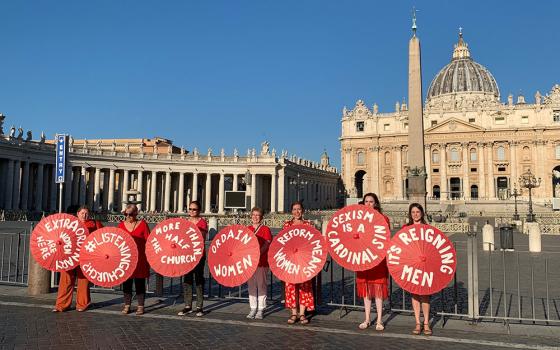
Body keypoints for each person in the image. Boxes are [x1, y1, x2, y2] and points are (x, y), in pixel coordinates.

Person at [52, 206, 102, 313]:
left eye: (87, 213)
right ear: (77, 214)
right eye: (82, 213)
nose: (85, 215)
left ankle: (83, 304)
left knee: (83, 281)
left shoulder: (95, 224)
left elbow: (102, 236)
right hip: (69, 256)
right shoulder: (69, 223)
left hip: (86, 257)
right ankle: (61, 305)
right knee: (66, 281)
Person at [357, 193, 390, 331]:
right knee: (366, 290)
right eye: (366, 201)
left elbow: (385, 238)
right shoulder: (357, 219)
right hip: (363, 257)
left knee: (378, 290)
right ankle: (367, 319)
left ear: (376, 203)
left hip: (378, 258)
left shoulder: (383, 219)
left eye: (371, 201)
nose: (368, 204)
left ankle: (380, 320)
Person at [283, 201, 314, 325]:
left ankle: (302, 313)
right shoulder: (287, 225)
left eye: (299, 209)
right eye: (294, 209)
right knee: (291, 286)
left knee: (304, 286)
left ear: (303, 210)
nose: (297, 212)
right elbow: (283, 243)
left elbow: (313, 241)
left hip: (304, 260)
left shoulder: (308, 224)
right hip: (290, 260)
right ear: (291, 211)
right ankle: (293, 312)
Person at [404, 203, 432, 336]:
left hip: (425, 265)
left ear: (422, 213)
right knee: (414, 294)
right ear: (410, 214)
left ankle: (426, 322)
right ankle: (417, 322)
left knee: (425, 295)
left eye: (417, 211)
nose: (415, 214)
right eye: (413, 212)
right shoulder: (406, 228)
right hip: (411, 265)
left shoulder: (427, 228)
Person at [118, 204, 150, 315]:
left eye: (130, 214)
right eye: (126, 214)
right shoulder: (121, 225)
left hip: (140, 258)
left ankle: (140, 306)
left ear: (136, 213)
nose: (128, 216)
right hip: (126, 259)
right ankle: (127, 305)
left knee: (140, 282)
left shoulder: (143, 224)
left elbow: (149, 241)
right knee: (126, 283)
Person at [178, 200, 208, 317]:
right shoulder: (185, 222)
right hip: (186, 255)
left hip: (198, 255)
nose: (191, 211)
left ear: (199, 211)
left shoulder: (202, 223)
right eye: (190, 209)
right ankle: (187, 305)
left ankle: (199, 306)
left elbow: (201, 238)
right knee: (187, 279)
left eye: (194, 209)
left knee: (199, 279)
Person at [246, 207, 272, 320]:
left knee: (261, 284)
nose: (255, 217)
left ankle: (261, 308)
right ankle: (252, 308)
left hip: (261, 261)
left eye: (258, 215)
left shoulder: (265, 229)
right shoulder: (248, 229)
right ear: (251, 216)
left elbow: (267, 244)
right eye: (254, 215)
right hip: (250, 262)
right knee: (251, 285)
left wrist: (258, 253)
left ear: (261, 217)